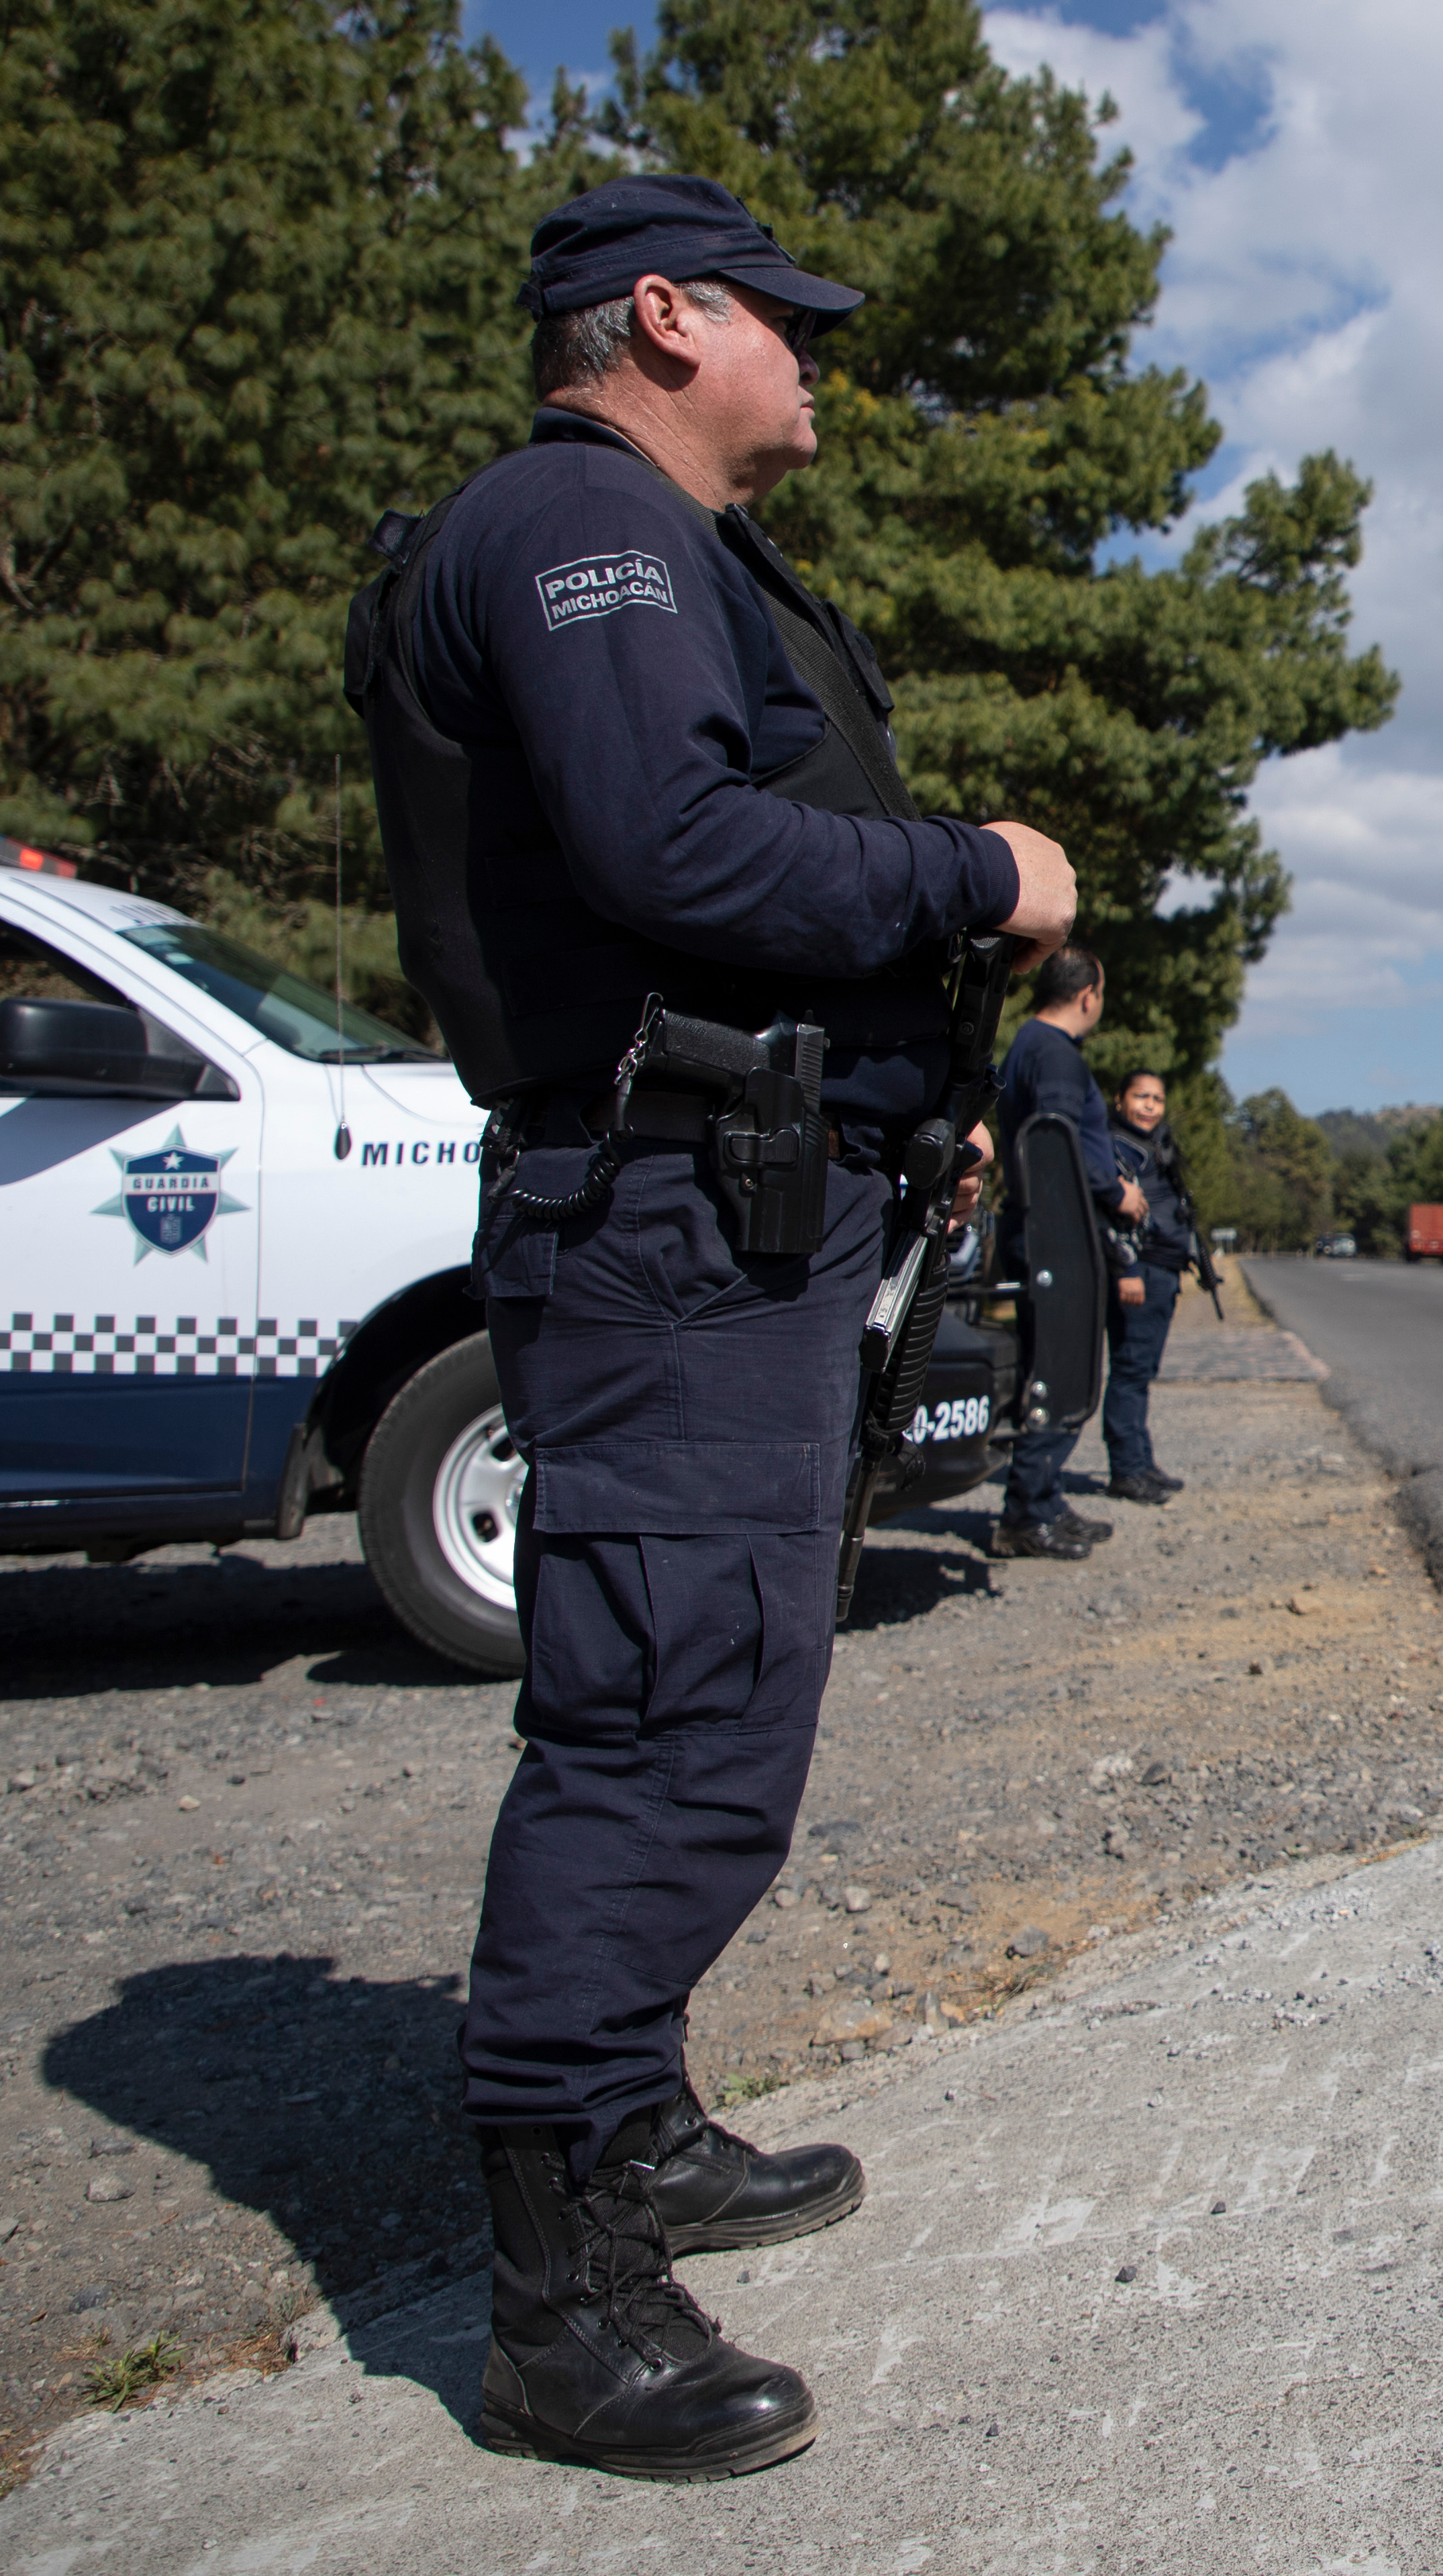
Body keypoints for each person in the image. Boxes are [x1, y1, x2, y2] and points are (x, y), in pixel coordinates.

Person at [352, 173, 1077, 2479]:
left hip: (736, 1195)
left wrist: (904, 1099)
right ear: (662, 316)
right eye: (788, 322)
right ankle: (556, 2306)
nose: (816, 359)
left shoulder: (666, 545)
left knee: (717, 1686)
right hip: (665, 1215)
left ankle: (635, 2123)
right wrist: (982, 869)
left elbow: (718, 877)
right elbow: (678, 854)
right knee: (666, 1720)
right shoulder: (583, 527)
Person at [992, 948, 1146, 1559]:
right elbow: (1054, 1143)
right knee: (1062, 1371)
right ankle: (1026, 1514)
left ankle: (1045, 1498)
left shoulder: (1029, 1044)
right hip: (1055, 1235)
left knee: (1053, 1366)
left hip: (1038, 1230)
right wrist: (1115, 1191)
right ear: (1088, 995)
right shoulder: (1056, 1054)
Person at [1097, 1068, 1199, 1503]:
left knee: (1142, 1372)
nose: (1149, 1107)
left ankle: (1141, 1462)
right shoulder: (1112, 1147)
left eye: (1156, 1100)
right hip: (1141, 1270)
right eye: (1140, 1097)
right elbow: (1109, 1217)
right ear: (1119, 1100)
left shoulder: (1154, 1145)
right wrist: (1128, 1270)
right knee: (1130, 1370)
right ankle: (1127, 1470)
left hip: (1162, 1271)